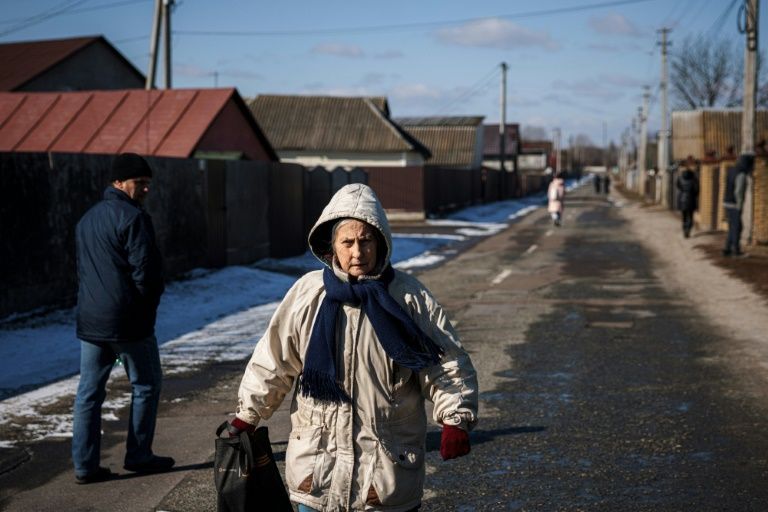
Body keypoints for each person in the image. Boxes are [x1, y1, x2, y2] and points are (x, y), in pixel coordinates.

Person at [229, 183, 478, 511]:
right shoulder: (309, 294)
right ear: (331, 247)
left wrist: (455, 418)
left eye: (366, 241)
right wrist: (248, 414)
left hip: (386, 471)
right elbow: (275, 358)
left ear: (381, 242)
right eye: (347, 242)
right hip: (317, 469)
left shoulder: (407, 297)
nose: (357, 253)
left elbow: (445, 362)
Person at [72, 153, 174, 484]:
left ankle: (85, 466)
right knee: (146, 383)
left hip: (91, 321)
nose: (146, 190)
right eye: (139, 183)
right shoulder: (133, 218)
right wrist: (148, 310)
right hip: (128, 321)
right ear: (118, 182)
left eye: (148, 184)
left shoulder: (87, 219)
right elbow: (146, 273)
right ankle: (139, 455)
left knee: (89, 392)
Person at [722, 153, 755, 256]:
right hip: (734, 204)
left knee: (733, 227)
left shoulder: (731, 170)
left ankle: (727, 249)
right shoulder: (741, 174)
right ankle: (736, 250)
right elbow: (738, 192)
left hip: (727, 202)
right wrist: (739, 207)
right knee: (737, 227)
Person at [676, 156, 700, 238]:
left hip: (682, 199)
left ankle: (685, 229)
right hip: (691, 199)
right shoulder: (694, 178)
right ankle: (688, 230)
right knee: (690, 216)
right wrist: (694, 195)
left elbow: (678, 186)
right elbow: (697, 189)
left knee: (684, 216)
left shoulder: (680, 177)